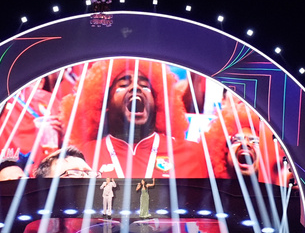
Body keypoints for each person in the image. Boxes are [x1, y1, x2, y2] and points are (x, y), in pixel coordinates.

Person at [61, 59, 208, 180]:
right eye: (124, 85)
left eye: (145, 85)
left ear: (158, 103)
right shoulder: (80, 157)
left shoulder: (193, 153)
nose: (136, 87)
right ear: (104, 104)